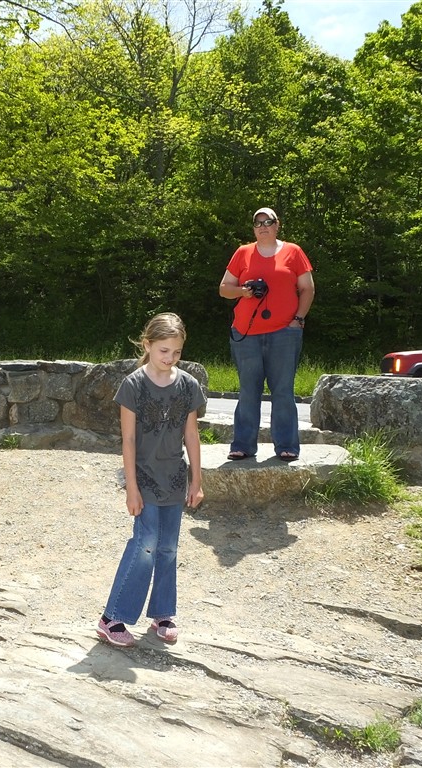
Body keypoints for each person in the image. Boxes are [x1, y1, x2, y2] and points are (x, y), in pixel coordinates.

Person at [96, 313, 205, 648]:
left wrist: (197, 481)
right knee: (145, 545)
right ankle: (111, 618)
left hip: (174, 477)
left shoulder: (188, 385)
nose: (170, 358)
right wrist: (131, 487)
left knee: (168, 547)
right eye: (163, 351)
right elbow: (128, 440)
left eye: (176, 352)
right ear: (147, 345)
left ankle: (163, 613)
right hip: (143, 477)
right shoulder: (133, 385)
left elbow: (191, 434)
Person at [219, 207, 315, 462]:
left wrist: (298, 319)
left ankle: (287, 446)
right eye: (258, 223)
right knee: (248, 390)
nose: (263, 226)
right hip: (246, 334)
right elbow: (224, 289)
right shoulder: (243, 252)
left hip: (284, 333)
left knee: (283, 390)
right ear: (253, 228)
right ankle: (242, 445)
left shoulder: (293, 252)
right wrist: (243, 291)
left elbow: (307, 289)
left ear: (277, 225)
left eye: (268, 222)